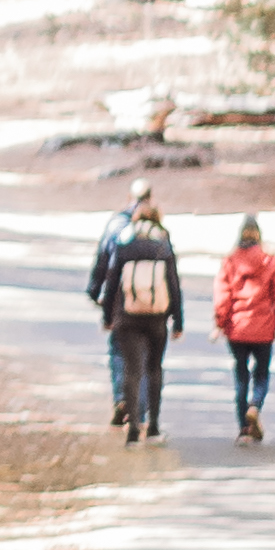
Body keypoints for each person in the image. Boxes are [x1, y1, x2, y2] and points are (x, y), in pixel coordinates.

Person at [91, 186, 185, 442]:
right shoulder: (163, 246)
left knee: (132, 370)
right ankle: (152, 426)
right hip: (157, 317)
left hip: (128, 317)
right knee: (154, 369)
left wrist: (108, 316)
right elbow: (174, 284)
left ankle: (132, 428)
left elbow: (112, 282)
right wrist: (178, 320)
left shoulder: (125, 245)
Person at [215, 215, 275, 441]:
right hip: (263, 328)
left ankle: (243, 428)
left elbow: (223, 296)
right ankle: (255, 405)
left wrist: (220, 322)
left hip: (237, 328)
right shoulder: (269, 262)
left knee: (241, 374)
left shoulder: (229, 262)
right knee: (261, 373)